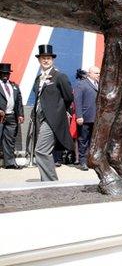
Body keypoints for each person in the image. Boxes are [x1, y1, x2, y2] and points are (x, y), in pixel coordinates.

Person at [32, 44, 74, 181]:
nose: (46, 60)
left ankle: (50, 182)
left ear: (52, 60)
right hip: (40, 117)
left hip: (53, 119)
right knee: (44, 150)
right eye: (43, 58)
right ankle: (47, 180)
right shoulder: (38, 79)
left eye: (48, 58)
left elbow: (68, 97)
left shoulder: (59, 76)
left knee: (41, 150)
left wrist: (59, 111)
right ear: (39, 60)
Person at [73, 65, 99, 171]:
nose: (98, 75)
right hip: (85, 117)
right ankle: (82, 161)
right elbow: (77, 101)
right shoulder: (81, 84)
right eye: (96, 73)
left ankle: (90, 161)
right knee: (83, 140)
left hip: (95, 118)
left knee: (93, 141)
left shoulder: (98, 85)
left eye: (99, 73)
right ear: (90, 74)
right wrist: (79, 116)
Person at [0, 63, 24, 169]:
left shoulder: (14, 86)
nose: (5, 75)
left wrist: (20, 115)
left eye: (7, 73)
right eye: (3, 73)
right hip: (0, 117)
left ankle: (9, 163)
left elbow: (19, 101)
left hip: (12, 117)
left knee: (9, 141)